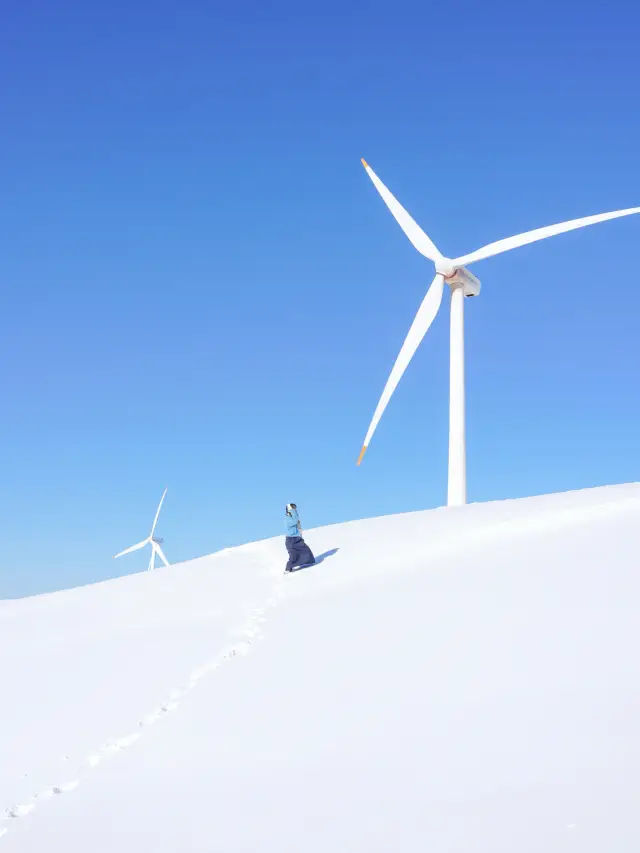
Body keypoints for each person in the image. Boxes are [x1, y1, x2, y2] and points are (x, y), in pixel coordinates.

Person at [284, 503, 315, 573]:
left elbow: (298, 526)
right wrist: (293, 511)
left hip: (297, 538)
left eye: (295, 507)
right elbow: (294, 522)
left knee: (306, 551)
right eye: (293, 507)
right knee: (293, 555)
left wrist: (300, 535)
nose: (295, 509)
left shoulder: (294, 517)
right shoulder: (287, 517)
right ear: (289, 509)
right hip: (291, 539)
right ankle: (288, 569)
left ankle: (307, 563)